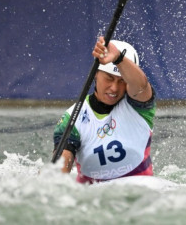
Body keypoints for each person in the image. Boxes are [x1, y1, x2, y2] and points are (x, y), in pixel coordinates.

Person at [53, 37, 156, 183]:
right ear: (96, 73)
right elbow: (61, 167)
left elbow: (141, 86)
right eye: (109, 78)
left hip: (140, 192)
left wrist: (119, 58)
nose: (114, 88)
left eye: (121, 81)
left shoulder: (139, 107)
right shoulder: (72, 117)